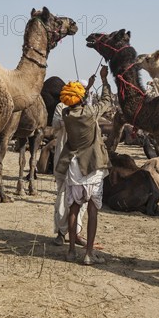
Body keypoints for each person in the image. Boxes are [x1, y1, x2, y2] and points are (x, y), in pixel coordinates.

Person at [55, 66, 112, 265]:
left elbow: (75, 103)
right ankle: (88, 254)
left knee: (74, 208)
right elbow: (106, 101)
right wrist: (104, 81)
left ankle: (71, 251)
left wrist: (87, 87)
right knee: (93, 210)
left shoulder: (66, 115)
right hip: (93, 168)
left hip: (73, 168)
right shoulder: (90, 113)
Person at [52, 75, 96, 247]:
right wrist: (70, 118)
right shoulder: (61, 108)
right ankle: (61, 232)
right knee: (63, 197)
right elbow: (56, 125)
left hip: (82, 159)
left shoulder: (86, 110)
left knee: (82, 198)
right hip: (65, 157)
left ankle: (75, 232)